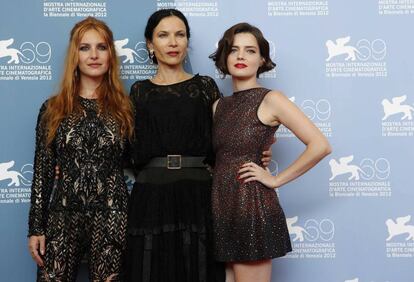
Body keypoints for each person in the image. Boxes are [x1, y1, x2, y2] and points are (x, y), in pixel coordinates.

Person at [124, 9, 272, 282]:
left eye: (180, 35)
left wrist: (259, 147)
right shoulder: (138, 92)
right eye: (163, 35)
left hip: (198, 195)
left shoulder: (205, 87)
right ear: (150, 44)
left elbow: (228, 138)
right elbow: (126, 150)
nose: (172, 42)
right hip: (150, 197)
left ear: (187, 42)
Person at [209, 23, 332, 282]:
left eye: (250, 51)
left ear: (262, 59)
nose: (241, 56)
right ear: (224, 56)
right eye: (234, 50)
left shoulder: (271, 99)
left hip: (251, 205)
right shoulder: (219, 105)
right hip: (222, 205)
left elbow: (320, 145)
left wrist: (275, 179)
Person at [27, 17, 133, 282]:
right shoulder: (53, 109)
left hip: (112, 215)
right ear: (75, 55)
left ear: (111, 54)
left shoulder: (126, 109)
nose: (94, 55)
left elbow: (142, 158)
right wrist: (36, 228)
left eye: (102, 47)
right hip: (62, 215)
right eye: (85, 48)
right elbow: (42, 172)